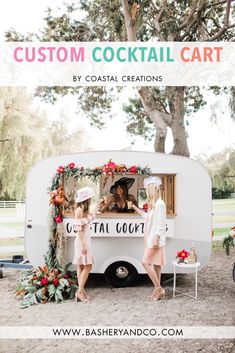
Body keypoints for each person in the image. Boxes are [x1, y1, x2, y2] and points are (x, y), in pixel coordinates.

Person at [130, 176, 166, 300]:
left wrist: (156, 238)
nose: (147, 193)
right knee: (156, 265)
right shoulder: (154, 204)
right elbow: (147, 217)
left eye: (148, 190)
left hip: (154, 239)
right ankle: (157, 291)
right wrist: (134, 208)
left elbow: (161, 224)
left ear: (153, 190)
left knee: (145, 262)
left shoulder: (160, 204)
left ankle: (159, 289)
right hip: (151, 238)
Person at [73, 186, 95, 303]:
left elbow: (92, 217)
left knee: (81, 265)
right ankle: (80, 291)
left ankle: (81, 291)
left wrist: (99, 206)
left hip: (85, 239)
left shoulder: (85, 210)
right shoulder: (79, 211)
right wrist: (84, 245)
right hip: (82, 241)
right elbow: (78, 229)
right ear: (86, 199)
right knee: (88, 266)